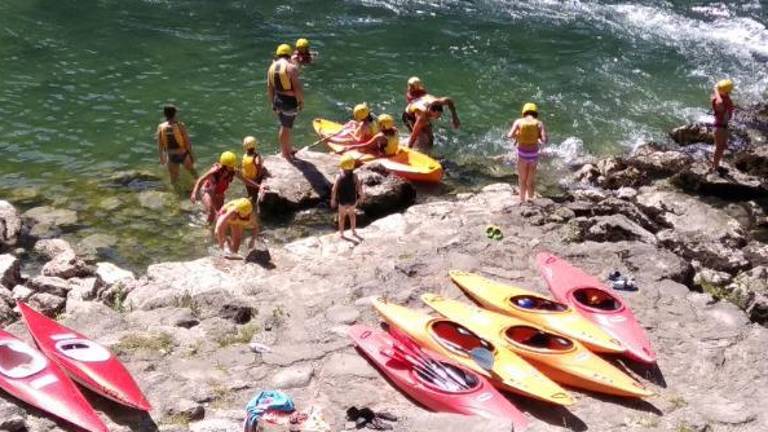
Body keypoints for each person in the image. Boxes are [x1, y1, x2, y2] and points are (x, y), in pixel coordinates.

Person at [190, 151, 261, 224]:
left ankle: (214, 224)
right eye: (230, 166)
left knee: (220, 213)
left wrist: (259, 186)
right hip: (207, 191)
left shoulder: (233, 171)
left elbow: (245, 180)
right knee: (211, 213)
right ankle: (208, 229)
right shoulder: (215, 171)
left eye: (233, 165)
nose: (232, 167)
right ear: (224, 165)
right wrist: (194, 193)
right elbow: (200, 180)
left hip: (219, 193)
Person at [267, 43, 304, 160]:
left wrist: (272, 103)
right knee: (286, 127)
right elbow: (297, 88)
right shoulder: (290, 68)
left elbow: (270, 87)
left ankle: (289, 148)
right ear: (289, 54)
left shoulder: (271, 67)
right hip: (289, 102)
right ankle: (285, 153)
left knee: (286, 125)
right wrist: (301, 101)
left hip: (278, 99)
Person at [402, 77, 460, 151]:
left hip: (421, 106)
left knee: (430, 138)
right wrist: (409, 149)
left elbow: (449, 101)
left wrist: (455, 117)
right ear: (431, 111)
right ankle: (404, 144)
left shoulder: (439, 102)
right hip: (409, 116)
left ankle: (429, 152)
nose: (438, 117)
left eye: (439, 115)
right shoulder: (421, 116)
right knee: (420, 139)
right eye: (436, 116)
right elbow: (414, 134)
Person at [506, 103, 548, 204]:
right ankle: (531, 198)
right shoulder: (539, 123)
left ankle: (521, 199)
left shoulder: (519, 122)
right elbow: (544, 139)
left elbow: (509, 135)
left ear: (524, 112)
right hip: (533, 155)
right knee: (531, 179)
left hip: (522, 154)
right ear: (535, 113)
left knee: (522, 179)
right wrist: (538, 137)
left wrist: (518, 135)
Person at [156, 104, 198, 183]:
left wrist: (161, 157)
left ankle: (177, 195)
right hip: (183, 154)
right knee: (193, 173)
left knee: (174, 181)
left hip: (171, 156)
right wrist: (192, 155)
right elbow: (187, 142)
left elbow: (159, 144)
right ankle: (200, 188)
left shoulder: (161, 127)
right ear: (175, 114)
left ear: (165, 114)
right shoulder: (180, 125)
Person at [331, 154, 364, 240]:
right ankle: (353, 231)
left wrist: (333, 200)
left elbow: (334, 189)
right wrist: (361, 196)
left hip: (343, 200)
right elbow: (359, 188)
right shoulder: (355, 176)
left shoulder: (339, 177)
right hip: (352, 199)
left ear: (342, 167)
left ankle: (341, 233)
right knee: (352, 215)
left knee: (341, 217)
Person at [711, 79, 735, 172]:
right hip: (719, 127)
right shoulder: (718, 101)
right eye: (728, 91)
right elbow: (720, 103)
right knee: (719, 148)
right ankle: (715, 167)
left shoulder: (724, 98)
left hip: (723, 127)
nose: (730, 92)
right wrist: (716, 89)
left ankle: (715, 164)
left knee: (722, 146)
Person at [240, 136, 265, 201]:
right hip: (254, 179)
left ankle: (249, 199)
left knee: (250, 192)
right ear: (254, 146)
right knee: (255, 194)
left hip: (246, 178)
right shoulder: (255, 156)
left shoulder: (244, 155)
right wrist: (260, 173)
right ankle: (253, 201)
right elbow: (258, 165)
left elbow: (243, 166)